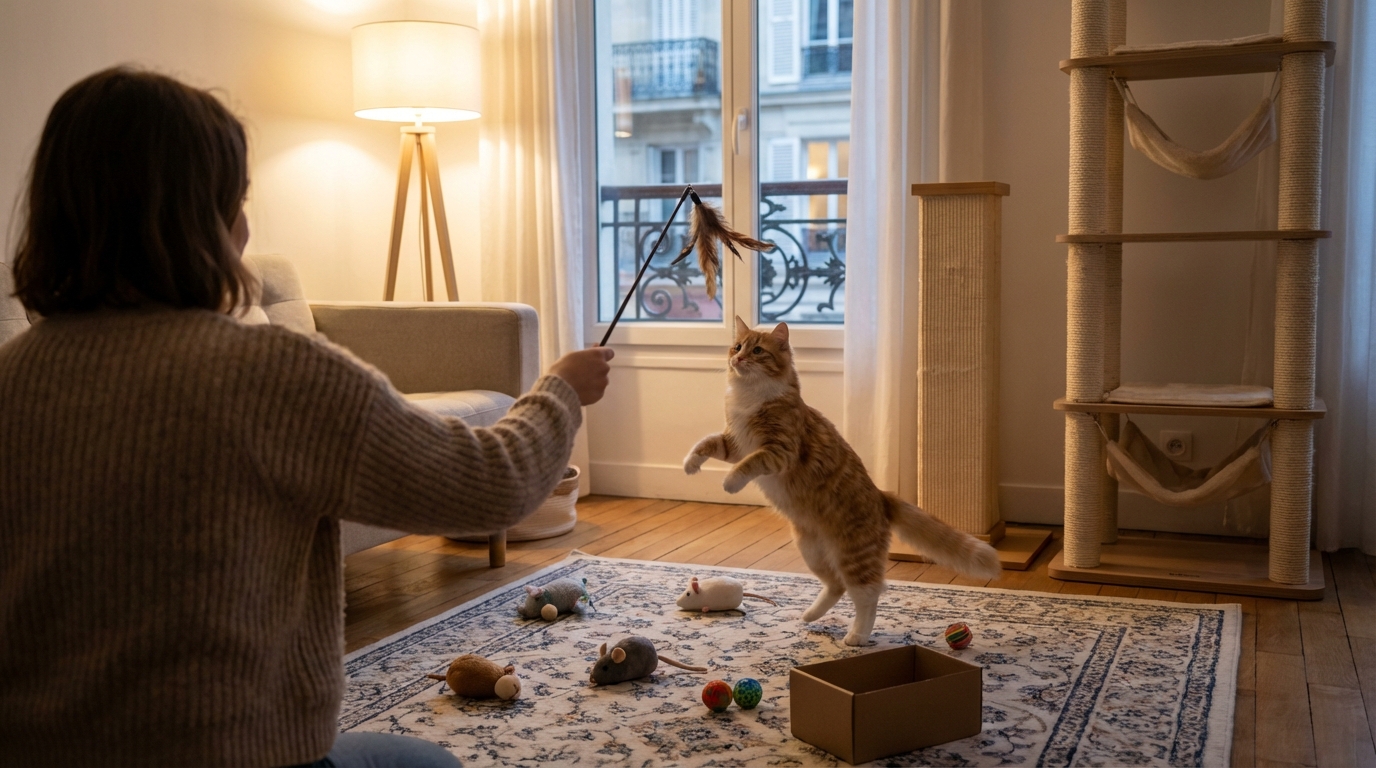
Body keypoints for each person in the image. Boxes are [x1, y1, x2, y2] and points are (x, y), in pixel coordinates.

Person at [0, 67, 612, 768]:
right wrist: (560, 388)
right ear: (206, 216)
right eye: (238, 200)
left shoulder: (11, 378)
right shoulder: (273, 376)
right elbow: (488, 486)